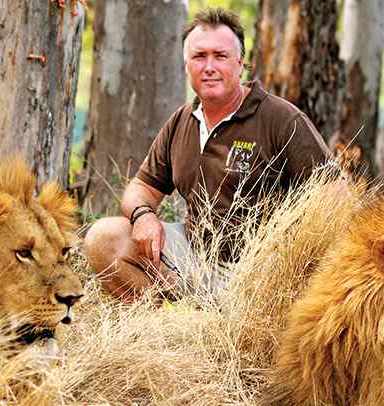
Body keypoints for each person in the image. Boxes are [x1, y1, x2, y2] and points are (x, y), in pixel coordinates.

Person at [84, 8, 334, 302]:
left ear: (240, 64)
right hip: (191, 257)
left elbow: (336, 196)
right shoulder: (181, 122)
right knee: (103, 239)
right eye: (199, 56)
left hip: (259, 272)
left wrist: (287, 254)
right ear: (186, 65)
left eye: (221, 56)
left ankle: (218, 323)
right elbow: (140, 188)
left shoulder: (281, 118)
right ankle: (168, 327)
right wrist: (143, 216)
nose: (209, 66)